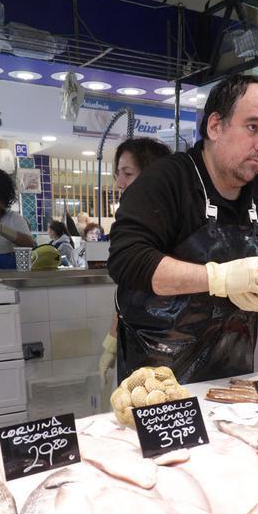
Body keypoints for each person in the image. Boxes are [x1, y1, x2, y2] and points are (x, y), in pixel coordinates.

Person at [107, 75, 258, 383]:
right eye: (253, 127)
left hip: (232, 372)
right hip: (158, 373)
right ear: (214, 126)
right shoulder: (167, 179)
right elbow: (127, 260)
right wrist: (219, 278)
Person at [98, 137, 172, 386]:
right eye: (118, 174)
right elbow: (128, 289)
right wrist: (112, 340)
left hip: (169, 350)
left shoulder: (173, 224)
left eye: (127, 174)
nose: (119, 184)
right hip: (135, 342)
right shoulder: (132, 224)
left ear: (154, 175)